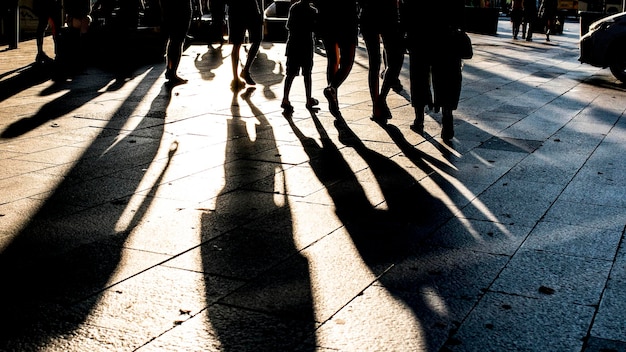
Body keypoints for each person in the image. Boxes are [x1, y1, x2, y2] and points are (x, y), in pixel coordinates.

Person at [401, 0, 464, 140]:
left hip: (419, 33)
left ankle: (419, 119)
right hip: (446, 33)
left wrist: (405, 31)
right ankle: (447, 118)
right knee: (446, 77)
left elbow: (407, 7)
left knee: (418, 77)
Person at [359, 0, 404, 123]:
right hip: (388, 16)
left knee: (376, 63)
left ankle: (378, 104)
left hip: (371, 14)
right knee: (395, 60)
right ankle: (379, 101)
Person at [314, 0, 358, 117]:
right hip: (347, 19)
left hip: (326, 19)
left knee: (332, 60)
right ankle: (332, 88)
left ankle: (334, 99)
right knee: (347, 62)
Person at [281, 0, 319, 112]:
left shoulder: (294, 8)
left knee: (290, 74)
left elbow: (288, 26)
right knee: (307, 74)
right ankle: (308, 99)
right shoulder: (313, 11)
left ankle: (285, 98)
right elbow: (315, 28)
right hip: (306, 45)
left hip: (293, 44)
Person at [226, 0, 262, 90]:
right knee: (256, 39)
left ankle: (236, 77)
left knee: (237, 44)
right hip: (250, 8)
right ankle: (245, 71)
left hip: (236, 9)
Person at [160, 0, 193, 84]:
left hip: (168, 6)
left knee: (173, 39)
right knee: (178, 39)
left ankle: (170, 70)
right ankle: (172, 72)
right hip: (180, 7)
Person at [33, 0, 62, 64]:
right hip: (49, 7)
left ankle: (40, 52)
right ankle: (57, 53)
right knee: (55, 29)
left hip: (44, 6)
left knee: (42, 28)